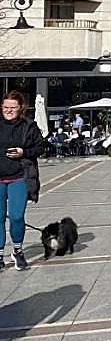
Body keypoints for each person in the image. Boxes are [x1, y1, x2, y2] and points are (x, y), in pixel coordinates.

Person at [0, 92, 46, 271]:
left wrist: (23, 152)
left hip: (19, 176)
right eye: (5, 107)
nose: (8, 110)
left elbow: (40, 147)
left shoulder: (29, 126)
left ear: (20, 108)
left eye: (12, 107)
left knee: (17, 216)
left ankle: (18, 250)